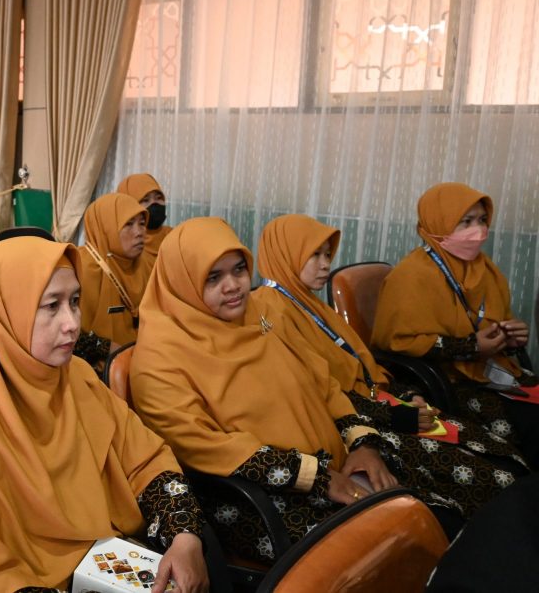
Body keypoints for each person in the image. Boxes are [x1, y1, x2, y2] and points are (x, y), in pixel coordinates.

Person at [0, 237, 211, 593]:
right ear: (4, 314)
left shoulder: (76, 379)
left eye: (75, 301)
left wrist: (185, 537)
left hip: (101, 566)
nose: (71, 323)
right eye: (51, 306)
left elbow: (147, 461)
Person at [129, 217, 436, 565]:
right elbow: (207, 447)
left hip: (337, 464)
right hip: (257, 498)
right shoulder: (158, 360)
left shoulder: (261, 315)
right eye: (213, 277)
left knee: (433, 513)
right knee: (391, 552)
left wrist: (363, 444)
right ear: (181, 281)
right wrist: (316, 477)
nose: (233, 286)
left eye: (239, 269)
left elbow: (322, 382)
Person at [253, 214, 526, 515]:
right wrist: (394, 415)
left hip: (378, 406)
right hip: (353, 428)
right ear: (285, 253)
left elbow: (361, 367)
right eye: (314, 254)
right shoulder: (270, 314)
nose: (325, 264)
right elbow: (314, 395)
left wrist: (404, 396)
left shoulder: (308, 303)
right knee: (495, 479)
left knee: (501, 453)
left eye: (327, 254)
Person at [372, 183, 539, 466]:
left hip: (491, 370)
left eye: (482, 220)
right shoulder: (411, 276)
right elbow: (397, 342)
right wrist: (471, 346)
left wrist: (508, 339)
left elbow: (490, 322)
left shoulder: (485, 270)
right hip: (447, 380)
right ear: (440, 222)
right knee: (531, 426)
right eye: (466, 221)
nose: (478, 230)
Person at [75, 193, 153, 369]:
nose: (139, 232)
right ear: (106, 228)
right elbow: (62, 333)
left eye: (142, 224)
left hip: (141, 365)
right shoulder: (82, 267)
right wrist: (104, 347)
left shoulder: (146, 266)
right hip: (94, 373)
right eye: (128, 224)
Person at [117, 173, 172, 258]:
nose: (154, 203)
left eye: (158, 198)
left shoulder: (174, 237)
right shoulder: (124, 244)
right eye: (145, 200)